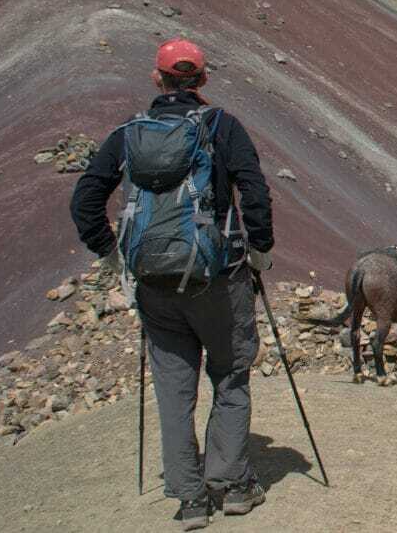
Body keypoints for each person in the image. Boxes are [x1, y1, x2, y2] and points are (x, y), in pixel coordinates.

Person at [71, 38, 273, 531]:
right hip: (218, 279)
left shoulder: (128, 135)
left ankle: (189, 499)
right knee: (229, 377)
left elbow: (85, 200)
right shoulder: (222, 126)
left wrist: (109, 251)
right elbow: (254, 187)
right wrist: (261, 250)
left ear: (157, 80)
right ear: (202, 81)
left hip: (154, 286)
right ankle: (232, 486)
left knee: (173, 389)